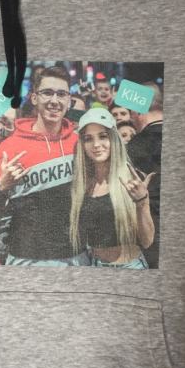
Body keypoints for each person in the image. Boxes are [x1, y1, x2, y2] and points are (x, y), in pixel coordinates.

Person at [0, 65, 90, 266]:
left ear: (69, 100)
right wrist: (1, 187)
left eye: (61, 94)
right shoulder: (10, 147)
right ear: (34, 98)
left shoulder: (79, 142)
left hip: (76, 257)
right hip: (27, 260)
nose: (54, 100)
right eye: (47, 93)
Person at [69, 107, 156, 269]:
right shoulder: (82, 185)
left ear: (113, 139)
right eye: (88, 139)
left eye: (103, 136)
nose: (96, 145)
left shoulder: (132, 180)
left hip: (130, 268)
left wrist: (142, 202)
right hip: (94, 266)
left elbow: (147, 241)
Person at [126, 82, 163, 268]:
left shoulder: (130, 150)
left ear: (138, 110)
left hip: (148, 240)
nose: (130, 119)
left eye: (131, 113)